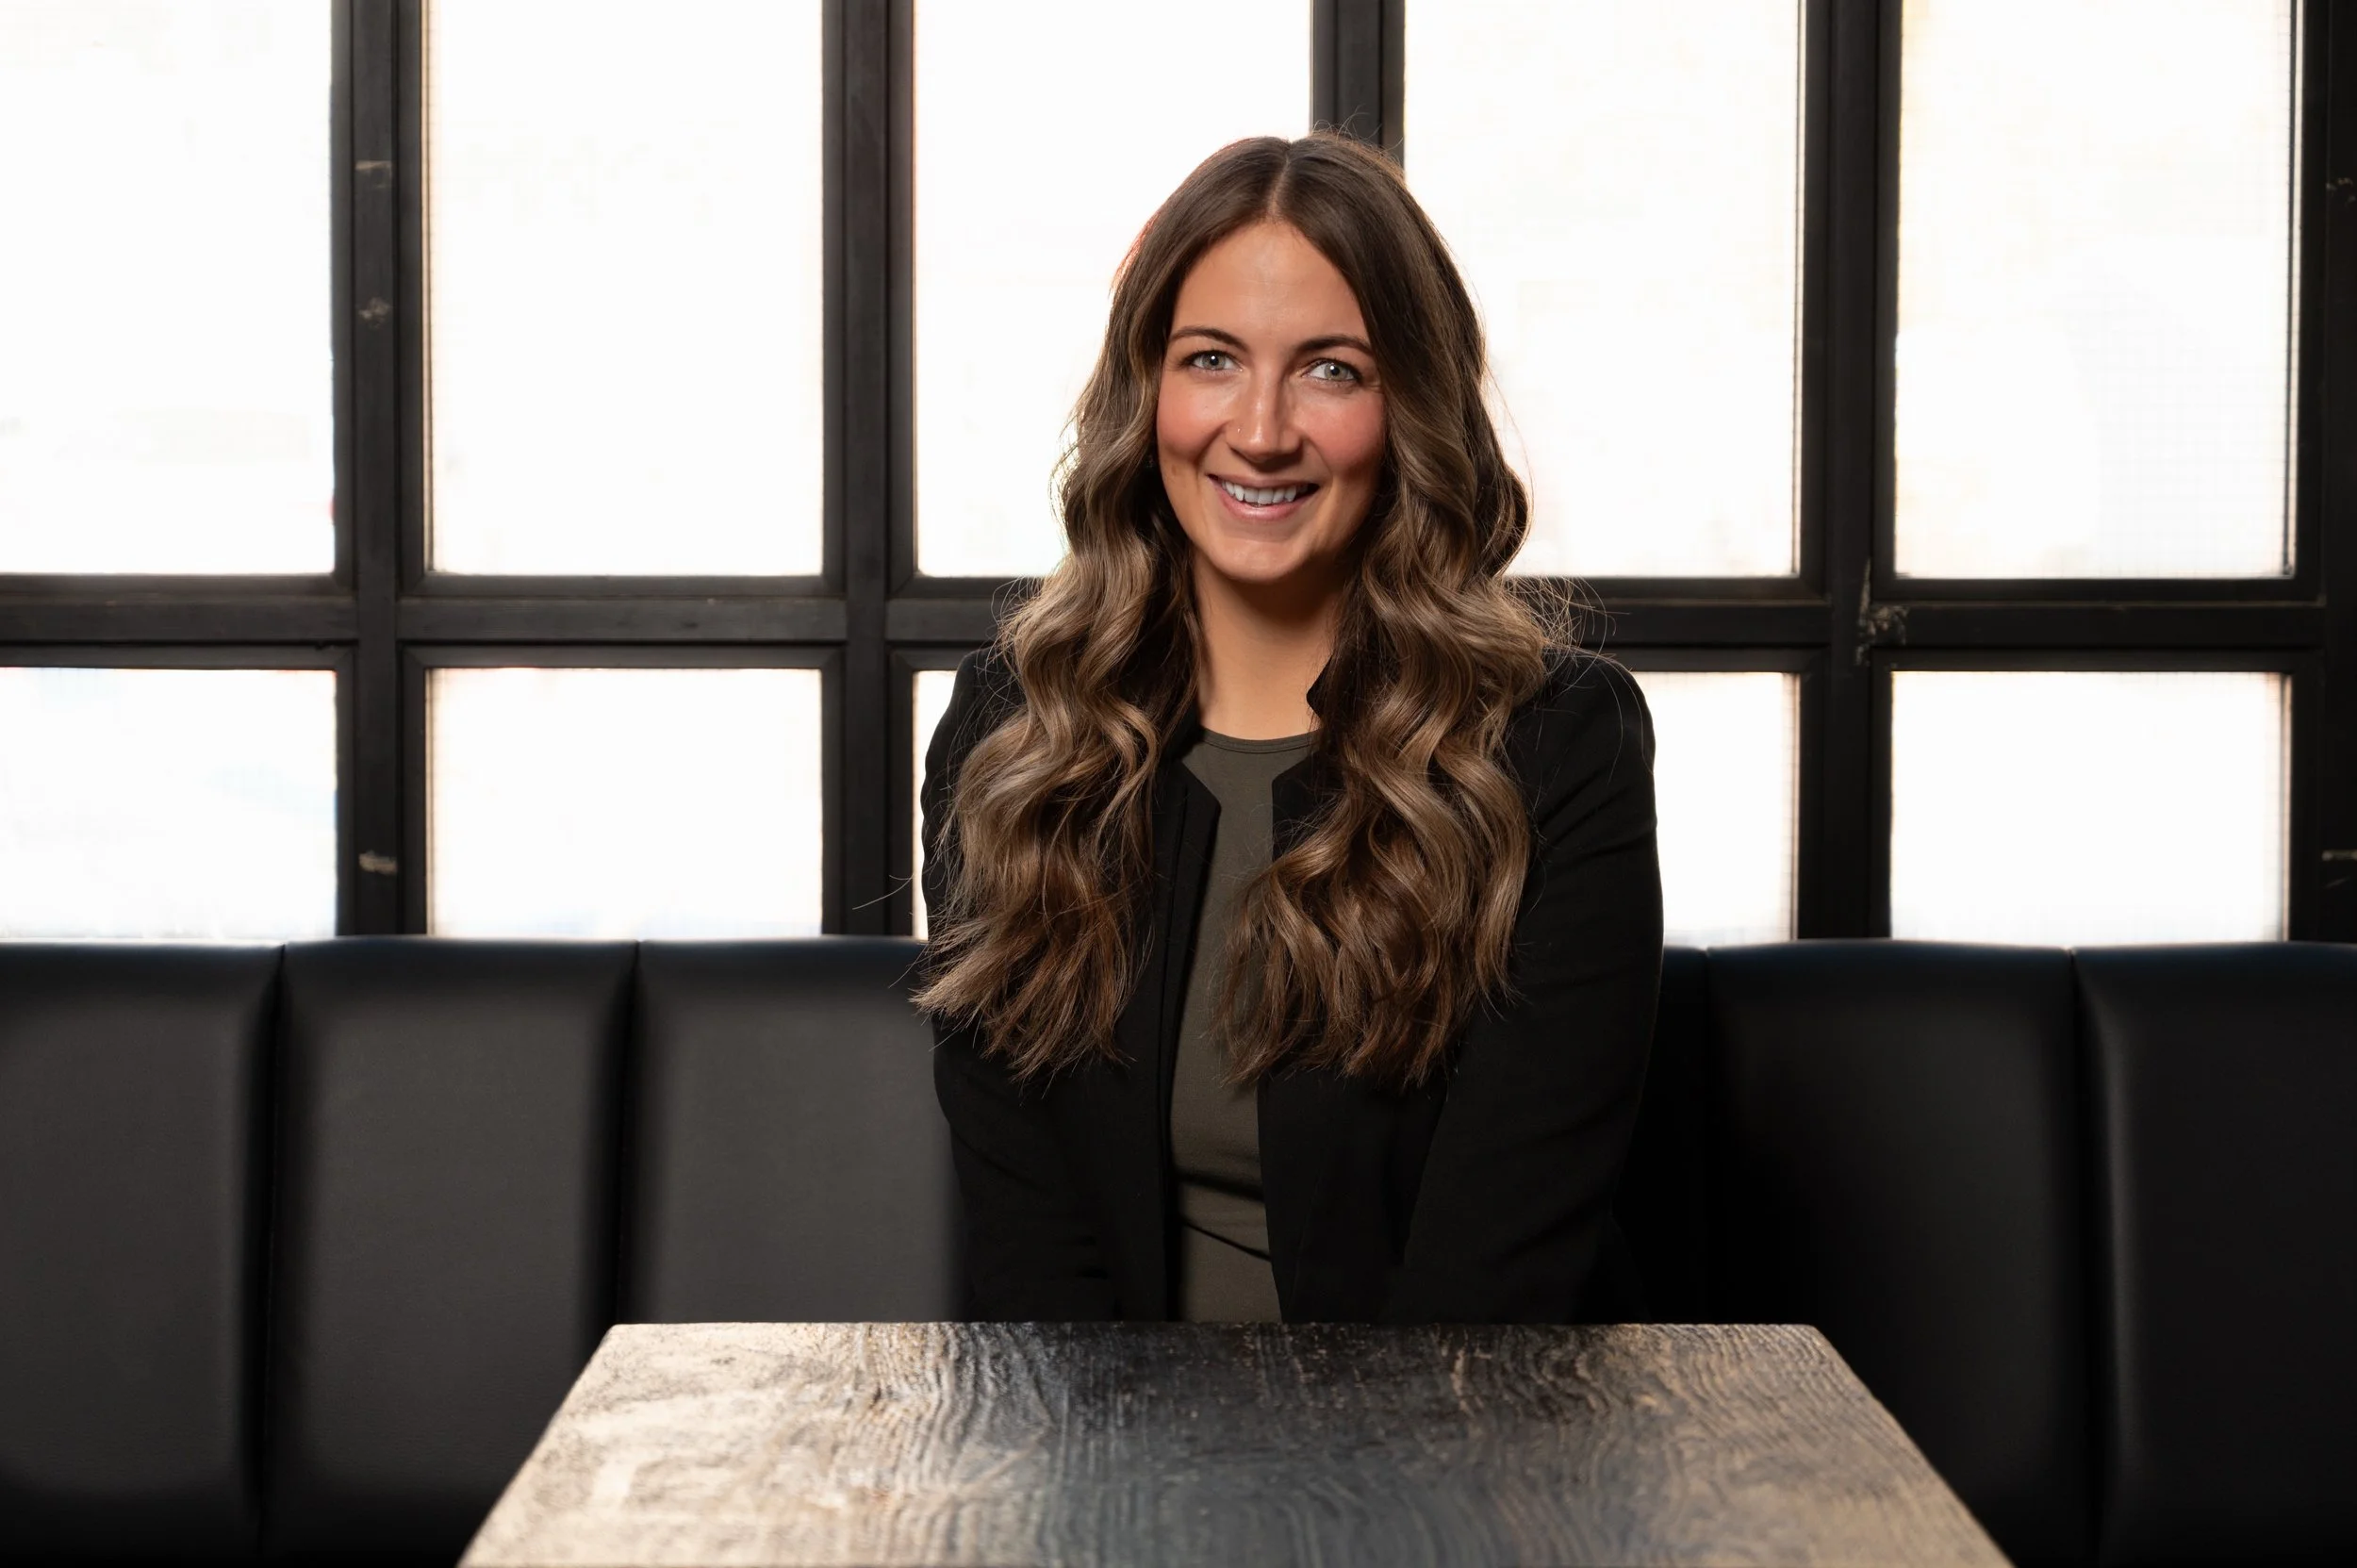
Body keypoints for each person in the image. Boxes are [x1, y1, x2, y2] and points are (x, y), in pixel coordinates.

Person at [916, 131, 1661, 1324]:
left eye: (1331, 370)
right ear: (1146, 390)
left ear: (1408, 403)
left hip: (1457, 1458)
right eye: (1211, 359)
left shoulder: (1555, 746)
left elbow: (1495, 1280)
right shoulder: (1015, 739)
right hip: (1108, 1454)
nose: (1260, 430)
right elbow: (1033, 1264)